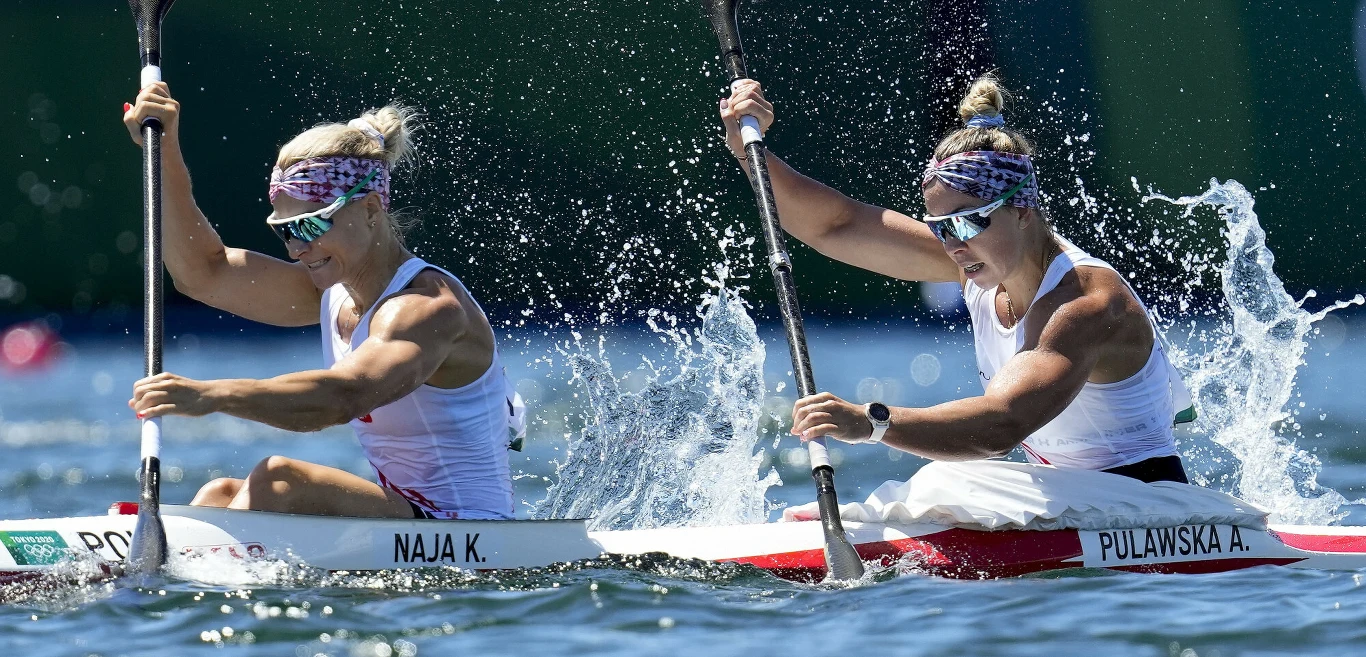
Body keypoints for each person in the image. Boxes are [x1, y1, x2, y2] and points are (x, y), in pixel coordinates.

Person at [718, 74, 1192, 484]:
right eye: (941, 226)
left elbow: (1002, 425)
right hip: (1064, 498)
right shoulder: (980, 262)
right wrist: (749, 152)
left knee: (944, 482)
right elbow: (835, 225)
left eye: (967, 222)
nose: (952, 244)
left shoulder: (1086, 304)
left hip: (1146, 506)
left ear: (1022, 210)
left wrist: (870, 421)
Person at [123, 83, 525, 519]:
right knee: (220, 493)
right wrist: (162, 150)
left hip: (471, 535)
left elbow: (344, 397)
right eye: (286, 230)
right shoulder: (332, 291)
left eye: (312, 226)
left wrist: (212, 395)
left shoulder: (428, 309)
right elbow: (204, 272)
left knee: (280, 480)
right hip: (411, 519)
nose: (296, 248)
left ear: (371, 210)